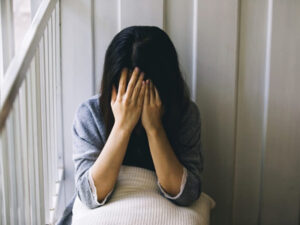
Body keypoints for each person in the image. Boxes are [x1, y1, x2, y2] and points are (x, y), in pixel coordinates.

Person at [56, 25, 203, 225]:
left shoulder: (185, 113)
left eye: (144, 91)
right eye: (126, 89)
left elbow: (187, 194)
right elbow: (89, 195)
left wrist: (154, 129)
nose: (134, 99)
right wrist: (122, 126)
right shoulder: (90, 114)